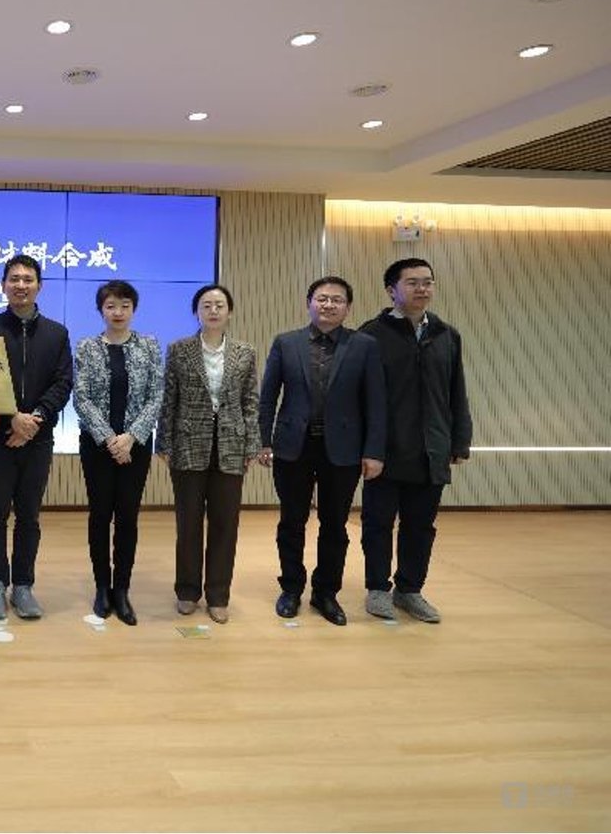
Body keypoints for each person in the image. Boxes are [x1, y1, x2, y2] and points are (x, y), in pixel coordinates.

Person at [257, 276, 386, 627]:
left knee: (335, 525)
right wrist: (263, 440)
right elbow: (268, 397)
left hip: (343, 450)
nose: (329, 305)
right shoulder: (286, 343)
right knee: (291, 522)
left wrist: (374, 451)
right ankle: (291, 588)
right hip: (292, 447)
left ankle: (326, 592)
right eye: (322, 298)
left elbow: (376, 403)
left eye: (337, 300)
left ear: (348, 307)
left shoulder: (364, 346)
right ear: (309, 303)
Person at [358, 258, 472, 624]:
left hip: (431, 448)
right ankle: (378, 588)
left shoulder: (446, 334)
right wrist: (366, 448)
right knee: (377, 523)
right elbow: (359, 397)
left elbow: (456, 392)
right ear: (391, 290)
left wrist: (460, 440)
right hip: (385, 450)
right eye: (412, 282)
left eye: (427, 282)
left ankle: (410, 589)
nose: (422, 288)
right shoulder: (370, 335)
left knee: (421, 526)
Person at [0, 254, 73, 620]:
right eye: (14, 279)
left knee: (29, 516)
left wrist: (34, 421)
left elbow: (63, 383)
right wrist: (11, 418)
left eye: (27, 279)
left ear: (39, 286)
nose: (20, 285)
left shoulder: (57, 333)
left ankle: (24, 586)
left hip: (39, 438)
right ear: (3, 285)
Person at [157, 284, 261, 624]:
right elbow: (169, 399)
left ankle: (218, 594)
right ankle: (187, 591)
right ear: (196, 312)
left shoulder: (245, 352)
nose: (213, 310)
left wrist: (252, 444)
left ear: (229, 312)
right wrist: (164, 443)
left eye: (219, 305)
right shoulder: (179, 349)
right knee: (188, 524)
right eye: (206, 305)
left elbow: (250, 402)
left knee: (225, 525)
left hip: (231, 447)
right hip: (188, 445)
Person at [71, 279, 163, 625]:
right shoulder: (87, 347)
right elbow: (82, 398)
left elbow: (156, 395)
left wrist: (131, 437)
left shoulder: (149, 346)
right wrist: (110, 438)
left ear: (133, 309)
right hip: (97, 446)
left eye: (125, 305)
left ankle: (122, 590)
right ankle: (101, 587)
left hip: (135, 448)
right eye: (111, 306)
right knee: (99, 515)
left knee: (127, 517)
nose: (118, 312)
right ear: (101, 310)